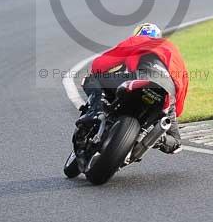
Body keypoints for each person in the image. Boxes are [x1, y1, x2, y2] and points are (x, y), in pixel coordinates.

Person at [79, 22, 189, 154]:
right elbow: (182, 89)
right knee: (176, 142)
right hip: (167, 94)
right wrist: (173, 109)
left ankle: (96, 112)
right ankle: (155, 137)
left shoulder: (137, 40)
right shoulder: (173, 50)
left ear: (139, 33)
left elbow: (100, 64)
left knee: (91, 79)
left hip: (142, 78)